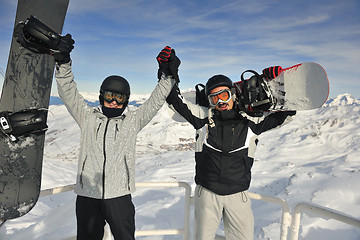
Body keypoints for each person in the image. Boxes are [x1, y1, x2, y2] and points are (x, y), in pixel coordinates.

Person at [51, 35, 180, 240]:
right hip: (87, 196)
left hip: (119, 196)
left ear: (126, 101)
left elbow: (155, 101)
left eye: (119, 98)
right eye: (109, 96)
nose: (113, 102)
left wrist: (167, 76)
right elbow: (68, 91)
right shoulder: (87, 118)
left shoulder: (132, 122)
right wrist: (63, 62)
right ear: (102, 97)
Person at [166, 67, 295, 240]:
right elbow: (175, 102)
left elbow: (286, 115)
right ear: (209, 101)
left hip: (237, 195)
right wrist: (168, 71)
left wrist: (276, 84)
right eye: (214, 98)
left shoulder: (251, 122)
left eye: (224, 95)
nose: (220, 102)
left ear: (233, 94)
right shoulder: (203, 119)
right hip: (207, 194)